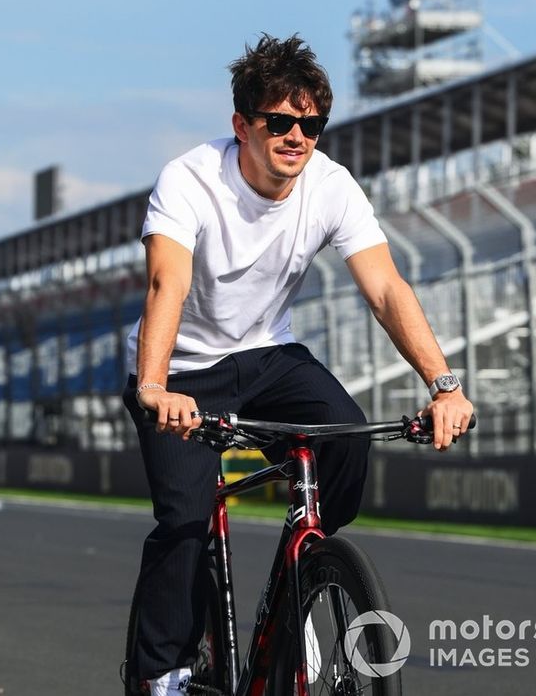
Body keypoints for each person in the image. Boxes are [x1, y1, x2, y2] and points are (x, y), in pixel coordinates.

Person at [121, 34, 473, 696]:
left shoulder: (331, 185)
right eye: (279, 122)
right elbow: (167, 282)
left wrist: (444, 385)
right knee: (186, 522)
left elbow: (386, 288)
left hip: (269, 357)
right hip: (184, 369)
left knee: (345, 435)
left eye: (311, 125)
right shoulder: (190, 178)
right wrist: (155, 386)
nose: (297, 138)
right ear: (242, 125)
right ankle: (161, 673)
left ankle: (308, 580)